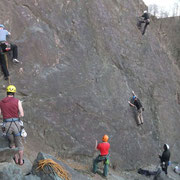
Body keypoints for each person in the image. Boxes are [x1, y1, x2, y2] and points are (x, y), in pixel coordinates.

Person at [0, 85, 24, 165]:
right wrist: (17, 116)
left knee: (12, 143)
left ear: (7, 92)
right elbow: (22, 114)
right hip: (16, 124)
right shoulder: (17, 101)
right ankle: (21, 161)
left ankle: (16, 159)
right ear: (14, 93)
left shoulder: (1, 102)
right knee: (19, 143)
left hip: (6, 124)